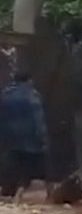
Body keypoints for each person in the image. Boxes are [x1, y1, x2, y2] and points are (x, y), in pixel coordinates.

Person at [0, 72, 51, 202]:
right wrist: (43, 137)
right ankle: (46, 192)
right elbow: (38, 118)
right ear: (28, 81)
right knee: (37, 166)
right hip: (30, 139)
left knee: (13, 165)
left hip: (10, 138)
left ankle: (8, 191)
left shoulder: (5, 95)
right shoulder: (32, 96)